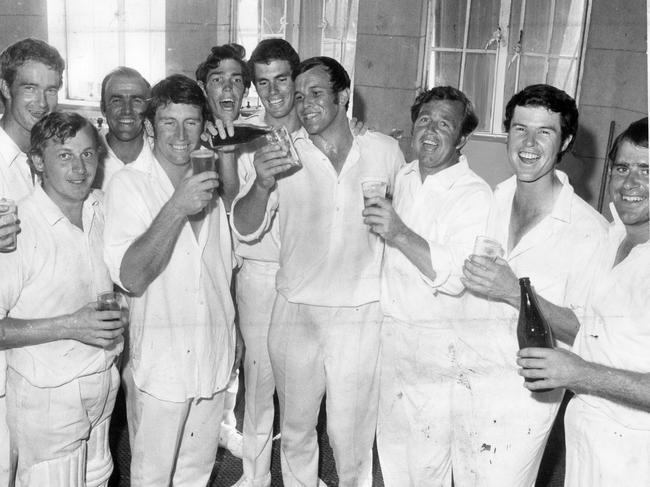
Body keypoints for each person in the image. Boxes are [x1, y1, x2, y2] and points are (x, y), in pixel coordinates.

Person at [232, 56, 404, 486]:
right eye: (300, 95)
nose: (304, 104)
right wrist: (262, 183)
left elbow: (407, 220)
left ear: (343, 97)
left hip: (360, 314)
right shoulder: (282, 153)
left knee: (350, 437)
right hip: (295, 311)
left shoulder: (384, 150)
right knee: (295, 431)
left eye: (316, 93)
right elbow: (244, 228)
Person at [458, 84, 608, 486]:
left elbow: (585, 333)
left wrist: (513, 291)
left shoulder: (590, 232)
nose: (528, 142)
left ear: (566, 142)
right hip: (463, 380)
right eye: (519, 128)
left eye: (544, 131)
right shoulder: (492, 198)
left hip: (521, 399)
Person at [103, 74, 236, 486]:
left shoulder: (214, 181)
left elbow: (225, 273)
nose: (180, 134)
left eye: (191, 122)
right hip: (163, 364)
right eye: (168, 122)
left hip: (213, 358)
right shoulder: (129, 185)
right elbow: (131, 277)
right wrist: (177, 206)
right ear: (149, 127)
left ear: (204, 126)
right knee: (152, 478)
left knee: (196, 474)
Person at [363, 86, 492, 485]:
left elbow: (454, 278)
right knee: (392, 453)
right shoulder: (402, 175)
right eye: (424, 120)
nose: (430, 131)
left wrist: (399, 232)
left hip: (438, 350)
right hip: (389, 338)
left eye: (444, 124)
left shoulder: (474, 195)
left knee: (428, 464)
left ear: (463, 139)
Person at [517, 117, 650, 486]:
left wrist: (578, 373)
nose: (631, 182)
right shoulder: (613, 236)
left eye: (647, 170)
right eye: (622, 167)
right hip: (587, 432)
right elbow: (584, 328)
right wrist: (515, 293)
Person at [0, 111, 125, 486]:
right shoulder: (16, 227)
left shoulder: (102, 209)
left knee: (99, 478)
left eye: (87, 155)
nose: (79, 167)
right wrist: (71, 325)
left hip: (104, 381)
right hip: (48, 396)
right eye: (65, 155)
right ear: (38, 161)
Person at [0, 37, 64, 486]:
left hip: (39, 344)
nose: (42, 102)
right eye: (29, 88)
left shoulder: (46, 161)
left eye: (52, 89)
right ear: (5, 89)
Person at [195, 43, 252, 460]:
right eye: (218, 79)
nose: (227, 88)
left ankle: (226, 424)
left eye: (236, 80)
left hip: (245, 261)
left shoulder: (256, 136)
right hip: (199, 260)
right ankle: (198, 429)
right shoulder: (189, 134)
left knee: (237, 345)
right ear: (204, 86)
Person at [97, 66, 152, 190]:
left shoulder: (162, 157)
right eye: (116, 100)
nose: (127, 110)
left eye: (137, 100)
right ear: (103, 108)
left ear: (148, 108)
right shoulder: (87, 159)